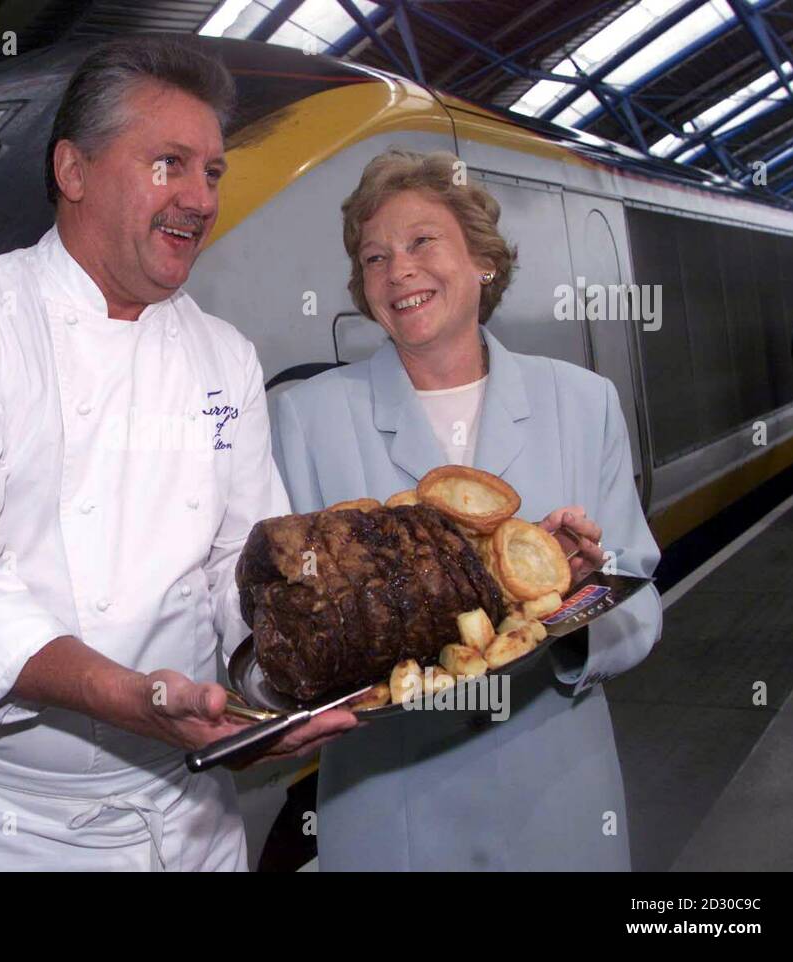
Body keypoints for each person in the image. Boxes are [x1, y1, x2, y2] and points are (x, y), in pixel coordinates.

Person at [0, 35, 354, 872]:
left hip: (186, 810)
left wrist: (273, 691)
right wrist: (126, 696)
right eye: (169, 163)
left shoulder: (223, 356)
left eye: (214, 172)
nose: (199, 196)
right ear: (73, 171)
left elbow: (243, 560)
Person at [272, 149, 662, 871]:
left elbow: (638, 601)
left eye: (422, 241)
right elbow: (295, 616)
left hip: (559, 797)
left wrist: (573, 609)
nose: (399, 270)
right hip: (393, 810)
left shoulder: (581, 402)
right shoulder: (308, 418)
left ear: (483, 260)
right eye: (375, 257)